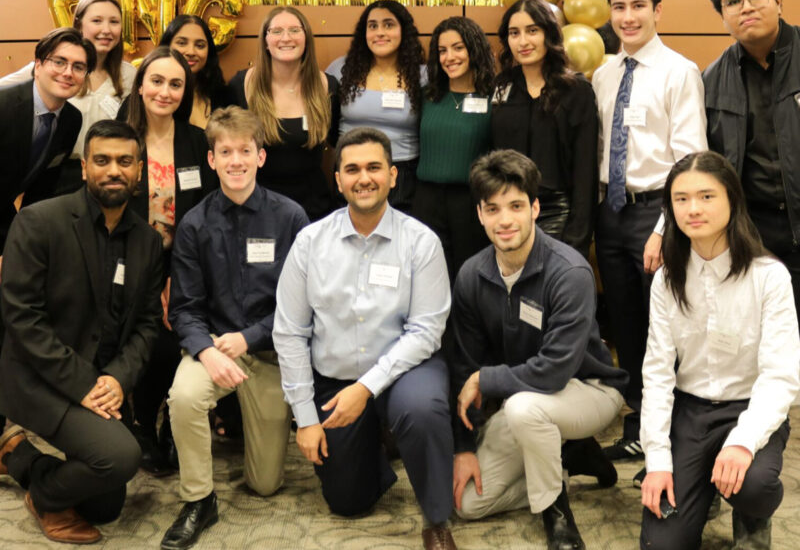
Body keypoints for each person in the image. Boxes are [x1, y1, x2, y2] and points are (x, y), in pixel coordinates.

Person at [273, 127, 457, 550]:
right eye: (352, 169)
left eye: (374, 167)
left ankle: (436, 517)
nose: (364, 178)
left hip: (404, 372)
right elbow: (289, 332)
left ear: (393, 175)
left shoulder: (421, 242)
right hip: (335, 379)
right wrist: (305, 418)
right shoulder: (309, 243)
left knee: (423, 410)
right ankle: (379, 442)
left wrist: (367, 388)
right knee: (347, 501)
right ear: (337, 180)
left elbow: (426, 331)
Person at [449, 150, 627, 550]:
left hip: (589, 389)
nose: (505, 220)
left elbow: (553, 371)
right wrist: (463, 448)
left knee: (525, 409)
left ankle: (556, 513)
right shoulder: (472, 275)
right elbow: (464, 365)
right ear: (479, 214)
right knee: (467, 504)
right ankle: (569, 457)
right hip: (522, 397)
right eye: (492, 209)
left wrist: (486, 379)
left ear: (535, 208)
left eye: (515, 206)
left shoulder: (570, 272)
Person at [0, 119, 163, 544]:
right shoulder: (39, 222)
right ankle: (44, 496)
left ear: (139, 171)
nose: (114, 170)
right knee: (120, 457)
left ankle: (17, 455)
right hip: (40, 379)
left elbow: (147, 324)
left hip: (104, 381)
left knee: (103, 507)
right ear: (86, 167)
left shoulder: (147, 241)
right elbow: (22, 318)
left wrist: (117, 379)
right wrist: (86, 384)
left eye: (125, 161)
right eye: (103, 160)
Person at [160, 107, 308, 550]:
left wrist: (251, 336)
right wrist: (206, 352)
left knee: (264, 484)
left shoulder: (291, 218)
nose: (236, 160)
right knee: (183, 396)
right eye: (226, 151)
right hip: (215, 348)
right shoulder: (194, 224)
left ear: (261, 157)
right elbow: (184, 307)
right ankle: (198, 500)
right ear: (212, 160)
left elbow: (302, 307)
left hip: (270, 351)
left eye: (246, 150)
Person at [639, 151, 800, 550]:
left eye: (707, 196)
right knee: (661, 545)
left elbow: (781, 375)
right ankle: (703, 485)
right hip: (690, 413)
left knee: (754, 486)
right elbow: (657, 375)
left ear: (732, 199)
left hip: (749, 407)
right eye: (681, 199)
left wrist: (744, 441)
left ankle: (750, 514)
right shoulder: (667, 281)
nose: (693, 208)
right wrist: (657, 462)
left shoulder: (769, 276)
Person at [592, 0, 707, 463]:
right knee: (625, 327)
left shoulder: (680, 72)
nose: (628, 16)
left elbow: (689, 160)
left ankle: (675, 438)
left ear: (657, 10)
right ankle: (638, 425)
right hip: (610, 214)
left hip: (656, 215)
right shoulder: (603, 74)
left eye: (638, 6)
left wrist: (664, 228)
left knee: (667, 330)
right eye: (619, 7)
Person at [122, 46, 217, 475]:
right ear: (140, 85)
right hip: (126, 259)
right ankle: (142, 422)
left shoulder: (197, 142)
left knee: (172, 332)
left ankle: (171, 425)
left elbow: (207, 211)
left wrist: (176, 274)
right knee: (148, 339)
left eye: (175, 84)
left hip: (184, 262)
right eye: (156, 81)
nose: (165, 91)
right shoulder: (120, 138)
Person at [704, 0, 800, 317]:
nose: (746, 7)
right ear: (724, 16)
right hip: (754, 237)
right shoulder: (710, 81)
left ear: (778, 1)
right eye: (733, 2)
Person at [491, 0, 598, 260]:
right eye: (514, 33)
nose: (523, 42)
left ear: (548, 34)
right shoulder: (501, 86)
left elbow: (586, 171)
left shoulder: (576, 90)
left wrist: (577, 239)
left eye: (532, 31)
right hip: (509, 213)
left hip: (558, 213)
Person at [0, 0, 136, 195]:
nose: (106, 30)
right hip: (60, 173)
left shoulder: (130, 75)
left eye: (114, 22)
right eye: (97, 20)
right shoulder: (51, 67)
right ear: (80, 23)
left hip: (106, 172)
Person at [229, 7, 339, 221]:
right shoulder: (242, 85)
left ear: (306, 38)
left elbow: (337, 140)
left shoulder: (327, 86)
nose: (286, 38)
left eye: (295, 30)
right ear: (265, 40)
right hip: (256, 210)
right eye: (277, 31)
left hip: (313, 211)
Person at [412, 16, 494, 282]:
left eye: (458, 48)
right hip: (426, 198)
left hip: (471, 201)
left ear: (474, 49)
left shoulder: (494, 96)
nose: (449, 57)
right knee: (430, 275)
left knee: (468, 275)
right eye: (442, 50)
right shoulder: (427, 96)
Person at [0, 27, 93, 254]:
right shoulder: (4, 105)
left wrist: (29, 234)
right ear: (38, 66)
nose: (68, 72)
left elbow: (44, 183)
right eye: (59, 62)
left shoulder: (71, 120)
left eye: (78, 67)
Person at [327, 0, 425, 213]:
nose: (380, 32)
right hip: (351, 169)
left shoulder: (422, 76)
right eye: (373, 26)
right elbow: (328, 126)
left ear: (403, 31)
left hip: (403, 173)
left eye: (388, 25)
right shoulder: (340, 69)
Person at [159, 14, 235, 129]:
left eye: (200, 45)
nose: (191, 52)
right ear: (167, 46)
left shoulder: (225, 96)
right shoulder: (152, 96)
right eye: (182, 43)